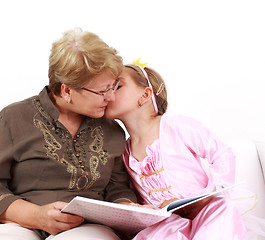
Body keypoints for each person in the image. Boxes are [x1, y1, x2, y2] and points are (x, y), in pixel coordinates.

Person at [0, 28, 137, 240]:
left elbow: (118, 189)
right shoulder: (13, 118)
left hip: (87, 228)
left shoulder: (112, 130)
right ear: (67, 91)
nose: (111, 97)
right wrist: (35, 215)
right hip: (21, 223)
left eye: (113, 87)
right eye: (102, 91)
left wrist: (128, 208)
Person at [105, 60, 252, 239]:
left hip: (203, 209)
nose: (108, 94)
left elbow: (222, 154)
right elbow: (127, 193)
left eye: (117, 86)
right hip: (166, 222)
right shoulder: (124, 151)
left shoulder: (175, 125)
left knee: (224, 209)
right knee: (158, 232)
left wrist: (211, 192)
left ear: (145, 95)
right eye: (107, 89)